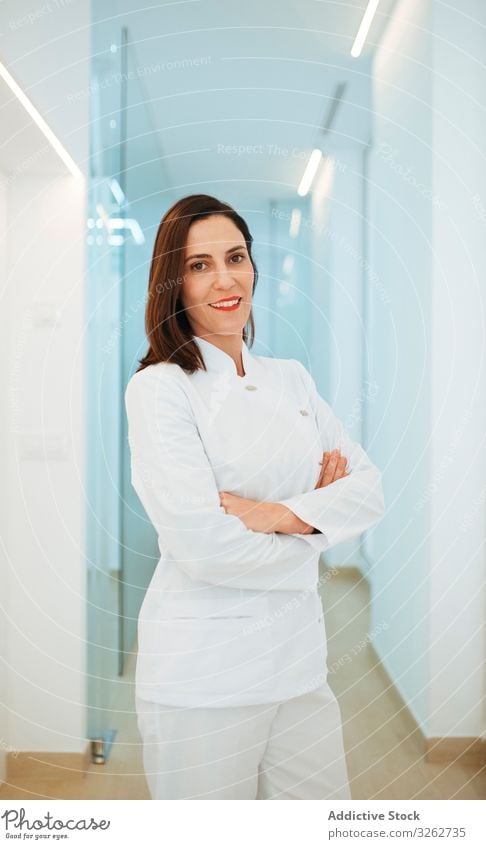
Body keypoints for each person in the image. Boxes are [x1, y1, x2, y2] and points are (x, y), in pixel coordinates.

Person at [124, 194, 385, 800]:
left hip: (297, 663)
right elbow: (204, 547)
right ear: (173, 283)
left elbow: (367, 490)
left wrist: (271, 516)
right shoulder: (160, 389)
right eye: (199, 265)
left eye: (235, 257)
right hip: (204, 675)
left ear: (253, 267)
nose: (224, 278)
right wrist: (314, 528)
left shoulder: (292, 377)